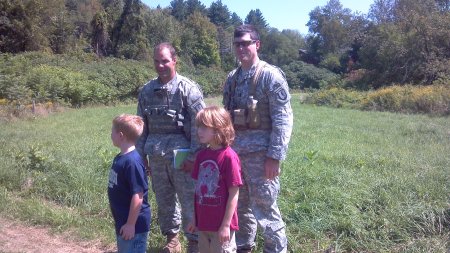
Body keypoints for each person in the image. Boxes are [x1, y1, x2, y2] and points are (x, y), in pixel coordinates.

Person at [222, 24, 294, 253]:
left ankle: (276, 249)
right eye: (237, 44)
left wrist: (275, 156)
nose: (241, 48)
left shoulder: (270, 77)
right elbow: (226, 117)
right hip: (235, 156)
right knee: (239, 206)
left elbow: (283, 120)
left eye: (246, 43)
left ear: (257, 44)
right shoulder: (232, 78)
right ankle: (244, 246)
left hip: (262, 158)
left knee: (265, 208)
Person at [136, 42, 205, 253]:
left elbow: (199, 125)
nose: (160, 65)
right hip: (156, 156)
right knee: (164, 201)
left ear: (175, 61)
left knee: (189, 200)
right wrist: (140, 157)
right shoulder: (146, 91)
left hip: (183, 158)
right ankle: (172, 240)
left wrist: (194, 157)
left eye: (165, 61)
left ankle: (194, 241)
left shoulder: (188, 89)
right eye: (156, 61)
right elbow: (141, 125)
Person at [187, 106, 243, 253]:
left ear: (219, 129)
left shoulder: (229, 157)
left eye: (204, 127)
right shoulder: (201, 156)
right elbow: (198, 191)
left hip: (221, 227)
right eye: (198, 126)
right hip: (203, 224)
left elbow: (234, 194)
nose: (199, 131)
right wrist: (195, 219)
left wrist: (226, 225)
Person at [108, 114, 151, 253]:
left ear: (121, 135)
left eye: (112, 131)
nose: (111, 134)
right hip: (124, 219)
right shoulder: (120, 158)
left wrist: (131, 224)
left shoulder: (132, 162)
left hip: (134, 224)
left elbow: (138, 196)